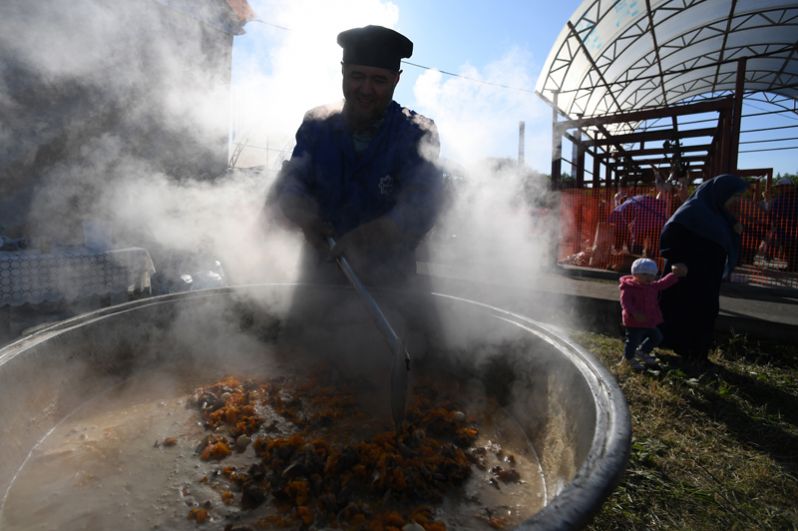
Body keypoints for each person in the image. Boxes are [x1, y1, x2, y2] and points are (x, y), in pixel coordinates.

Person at [268, 24, 444, 287]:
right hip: (319, 278)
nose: (365, 89)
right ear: (342, 71)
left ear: (397, 79)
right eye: (357, 76)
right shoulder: (316, 124)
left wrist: (371, 235)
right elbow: (294, 180)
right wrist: (301, 211)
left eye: (379, 80)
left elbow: (423, 204)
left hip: (392, 286)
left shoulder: (417, 132)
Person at [658, 173, 749, 371]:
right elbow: (670, 232)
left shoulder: (717, 211)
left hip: (707, 274)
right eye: (734, 196)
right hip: (688, 274)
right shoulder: (693, 210)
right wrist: (675, 259)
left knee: (706, 310)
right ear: (720, 193)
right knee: (689, 309)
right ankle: (689, 352)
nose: (736, 201)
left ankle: (696, 353)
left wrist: (733, 227)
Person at [619, 257, 688, 371]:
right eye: (645, 274)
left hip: (649, 320)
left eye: (652, 275)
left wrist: (673, 275)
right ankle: (628, 358)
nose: (649, 278)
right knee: (632, 341)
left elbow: (663, 283)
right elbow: (625, 303)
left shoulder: (652, 286)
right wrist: (634, 313)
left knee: (657, 337)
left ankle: (642, 351)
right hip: (634, 321)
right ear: (635, 273)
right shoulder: (628, 287)